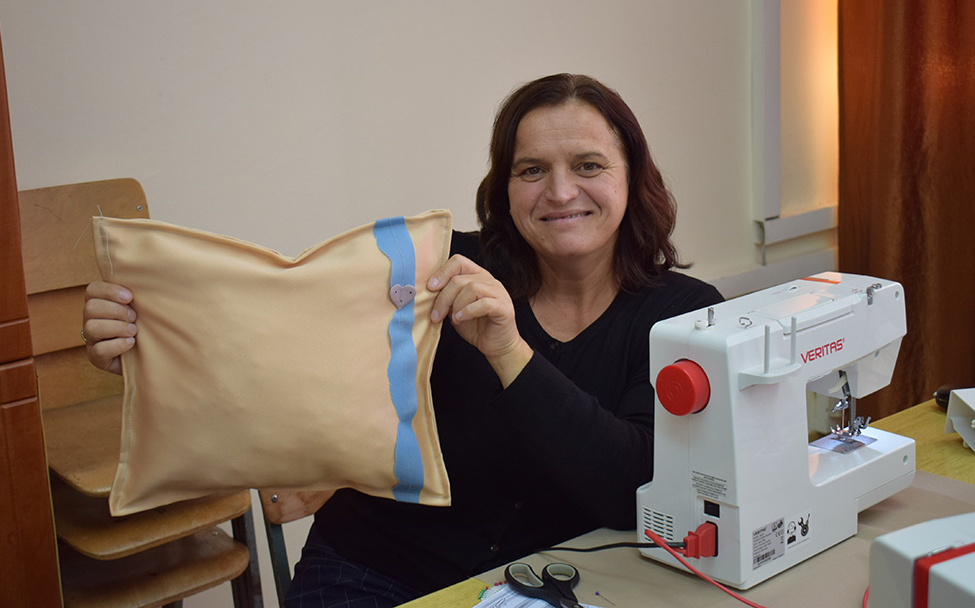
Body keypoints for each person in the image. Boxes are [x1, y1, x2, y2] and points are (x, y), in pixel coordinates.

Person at [83, 73, 723, 607]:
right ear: (504, 188)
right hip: (371, 570)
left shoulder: (685, 317)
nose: (559, 191)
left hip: (553, 584)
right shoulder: (440, 268)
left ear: (632, 176)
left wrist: (509, 352)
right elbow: (279, 348)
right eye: (531, 169)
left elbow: (630, 490)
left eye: (588, 165)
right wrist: (152, 347)